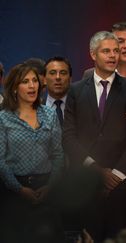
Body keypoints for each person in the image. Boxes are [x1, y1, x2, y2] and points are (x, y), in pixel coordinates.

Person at [62, 31, 126, 242]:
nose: (113, 55)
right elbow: (69, 137)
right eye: (106, 51)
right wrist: (97, 171)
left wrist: (116, 175)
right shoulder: (76, 90)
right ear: (93, 54)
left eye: (115, 51)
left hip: (122, 186)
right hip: (86, 183)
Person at [0, 63, 64, 242]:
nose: (32, 86)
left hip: (47, 188)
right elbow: (0, 160)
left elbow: (58, 154)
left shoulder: (50, 114)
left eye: (35, 81)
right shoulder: (3, 118)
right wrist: (20, 190)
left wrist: (51, 186)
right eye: (25, 81)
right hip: (14, 192)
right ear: (14, 88)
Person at [43, 56, 72, 126]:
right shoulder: (35, 110)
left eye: (63, 73)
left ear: (70, 79)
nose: (58, 77)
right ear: (44, 80)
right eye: (52, 73)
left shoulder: (80, 108)